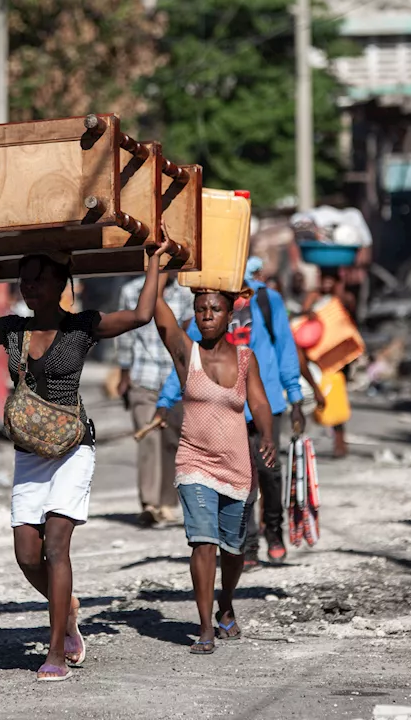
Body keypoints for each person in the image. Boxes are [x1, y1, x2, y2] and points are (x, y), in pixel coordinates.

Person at [0, 240, 175, 681]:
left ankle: (56, 650)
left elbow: (139, 315)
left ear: (61, 283)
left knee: (56, 546)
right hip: (30, 453)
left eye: (40, 279)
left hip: (74, 448)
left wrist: (152, 264)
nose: (31, 287)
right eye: (26, 280)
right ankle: (67, 610)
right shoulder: (11, 329)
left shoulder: (83, 327)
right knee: (26, 554)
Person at [150, 278, 277, 653]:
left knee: (233, 550)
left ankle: (225, 605)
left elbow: (261, 403)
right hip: (194, 462)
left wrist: (268, 436)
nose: (206, 316)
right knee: (203, 542)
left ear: (230, 311)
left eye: (215, 309)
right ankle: (205, 626)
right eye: (201, 310)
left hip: (237, 466)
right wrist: (157, 265)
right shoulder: (185, 353)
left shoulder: (244, 359)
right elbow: (159, 314)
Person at [154, 256, 306, 566]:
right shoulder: (209, 307)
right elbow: (189, 360)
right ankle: (247, 545)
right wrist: (166, 399)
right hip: (228, 411)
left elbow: (286, 347)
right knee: (243, 477)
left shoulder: (266, 300)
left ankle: (273, 529)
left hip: (266, 401)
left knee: (269, 471)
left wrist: (296, 398)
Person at [116, 272, 194, 527]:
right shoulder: (131, 291)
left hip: (174, 379)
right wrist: (124, 373)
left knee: (173, 442)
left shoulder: (186, 293)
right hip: (144, 376)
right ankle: (149, 503)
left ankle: (167, 502)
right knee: (148, 439)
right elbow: (125, 336)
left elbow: (186, 336)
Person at [303, 268, 352, 458]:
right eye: (325, 279)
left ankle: (340, 441)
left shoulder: (342, 298)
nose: (327, 283)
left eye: (332, 280)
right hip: (316, 356)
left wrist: (338, 291)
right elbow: (304, 316)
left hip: (337, 356)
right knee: (310, 396)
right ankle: (304, 442)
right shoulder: (313, 297)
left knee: (337, 397)